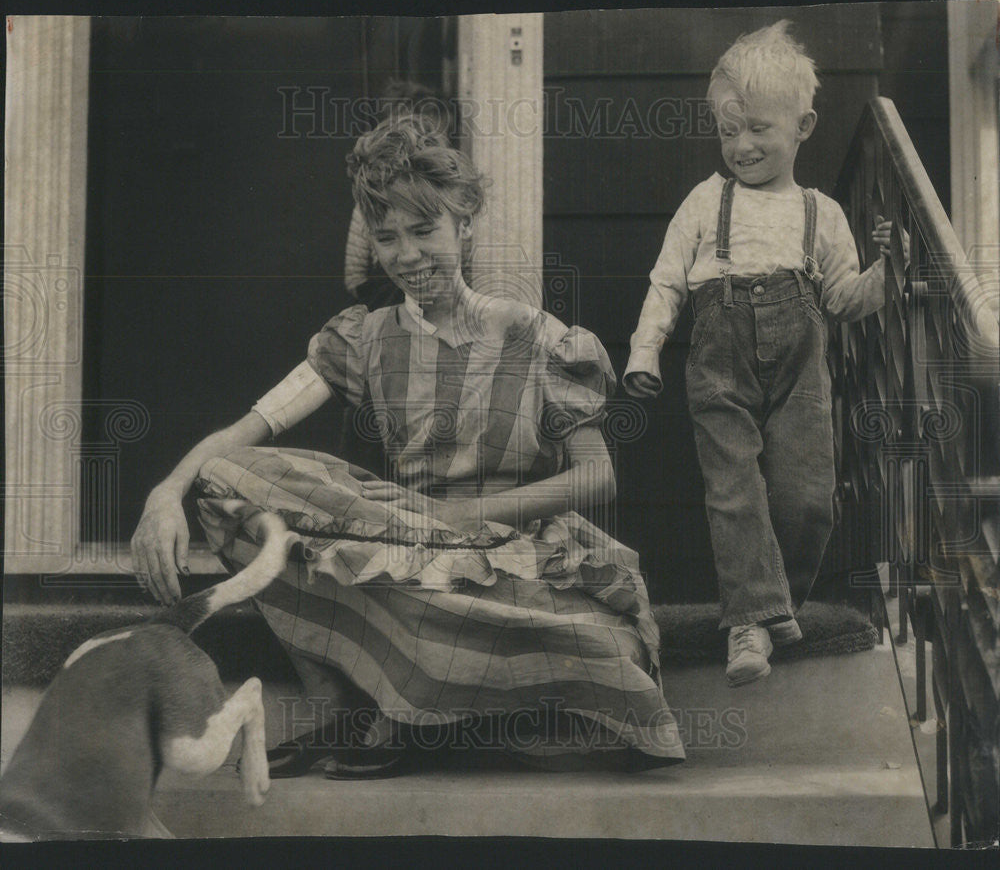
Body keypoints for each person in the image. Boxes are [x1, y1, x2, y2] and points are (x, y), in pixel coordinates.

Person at [132, 115, 685, 777]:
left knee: (586, 644)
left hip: (515, 553)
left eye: (424, 231)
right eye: (387, 237)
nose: (407, 255)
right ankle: (346, 712)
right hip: (409, 542)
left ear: (465, 222)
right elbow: (244, 433)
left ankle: (413, 706)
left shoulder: (543, 339)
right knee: (227, 479)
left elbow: (598, 478)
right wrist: (165, 491)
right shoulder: (364, 338)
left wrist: (475, 517)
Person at [623, 21, 897, 687]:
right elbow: (665, 278)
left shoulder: (822, 213)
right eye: (728, 130)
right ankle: (748, 620)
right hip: (720, 361)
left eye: (759, 130)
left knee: (809, 499)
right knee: (734, 490)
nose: (741, 146)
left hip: (801, 362)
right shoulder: (704, 202)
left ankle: (776, 606)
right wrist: (645, 349)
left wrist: (888, 270)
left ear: (802, 126)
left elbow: (843, 299)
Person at [343, 80, 474, 311]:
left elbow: (469, 266)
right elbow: (354, 275)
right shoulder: (371, 203)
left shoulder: (452, 201)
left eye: (429, 140)